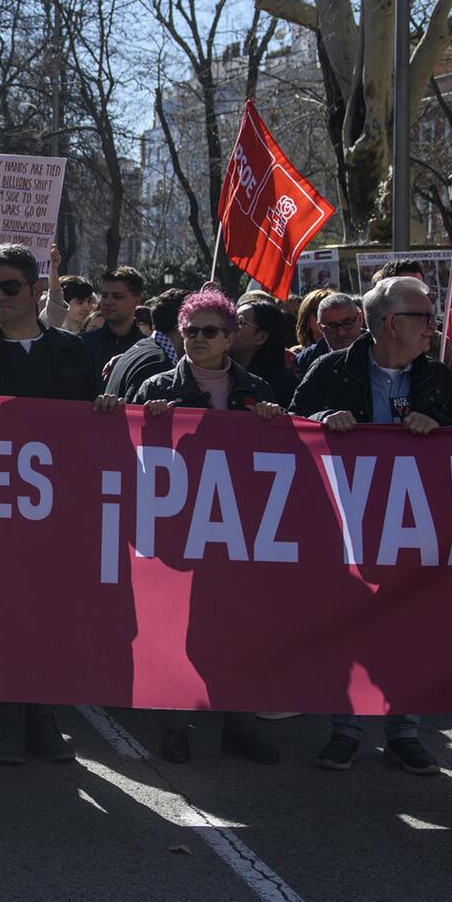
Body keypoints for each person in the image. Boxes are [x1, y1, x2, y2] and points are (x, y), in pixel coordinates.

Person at [99, 288, 287, 764]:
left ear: (230, 337)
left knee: (238, 630)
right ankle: (174, 726)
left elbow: (282, 459)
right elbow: (129, 454)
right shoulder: (157, 387)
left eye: (209, 331)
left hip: (237, 530)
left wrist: (273, 422)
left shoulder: (256, 390)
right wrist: (145, 422)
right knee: (172, 630)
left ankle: (238, 726)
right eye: (190, 331)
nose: (198, 339)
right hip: (176, 529)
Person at [291, 276, 452, 775]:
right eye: (424, 318)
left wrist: (439, 427)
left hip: (410, 525)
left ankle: (404, 731)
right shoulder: (330, 370)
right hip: (344, 523)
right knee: (347, 624)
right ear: (392, 323)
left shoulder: (435, 376)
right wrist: (325, 417)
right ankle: (346, 730)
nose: (433, 328)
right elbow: (290, 424)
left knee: (408, 627)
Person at [0, 244, 100, 764]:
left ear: (37, 289)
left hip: (59, 518)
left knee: (52, 620)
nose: (1, 297)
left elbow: (93, 431)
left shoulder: (76, 352)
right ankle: (7, 722)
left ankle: (44, 718)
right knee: (0, 620)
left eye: (11, 286)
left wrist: (107, 410)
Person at [106, 288, 190, 401]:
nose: (201, 336)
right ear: (183, 326)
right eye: (195, 326)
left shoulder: (141, 348)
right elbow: (138, 414)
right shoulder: (159, 364)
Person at [231, 299, 299, 407]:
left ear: (261, 337)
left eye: (240, 322)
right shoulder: (216, 372)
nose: (230, 327)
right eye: (231, 319)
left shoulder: (285, 385)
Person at [80, 267, 148, 371]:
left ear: (136, 301)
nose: (108, 302)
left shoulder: (146, 350)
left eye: (117, 296)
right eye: (104, 295)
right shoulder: (82, 344)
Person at [294, 292, 363, 371]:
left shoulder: (377, 352)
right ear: (320, 327)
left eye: (347, 323)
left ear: (360, 318)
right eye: (332, 326)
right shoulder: (305, 361)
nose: (341, 332)